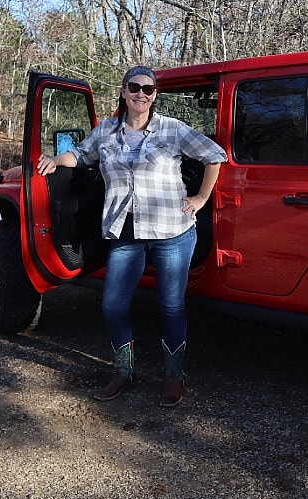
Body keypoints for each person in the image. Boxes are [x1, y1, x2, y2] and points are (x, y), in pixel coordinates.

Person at [36, 66, 227, 407]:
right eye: (135, 88)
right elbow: (81, 155)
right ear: (124, 92)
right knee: (112, 304)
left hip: (172, 231)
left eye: (149, 89)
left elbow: (214, 155)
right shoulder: (107, 131)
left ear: (155, 95)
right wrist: (55, 159)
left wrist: (199, 199)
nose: (142, 94)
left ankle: (174, 377)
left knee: (170, 305)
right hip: (124, 230)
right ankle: (125, 372)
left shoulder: (171, 129)